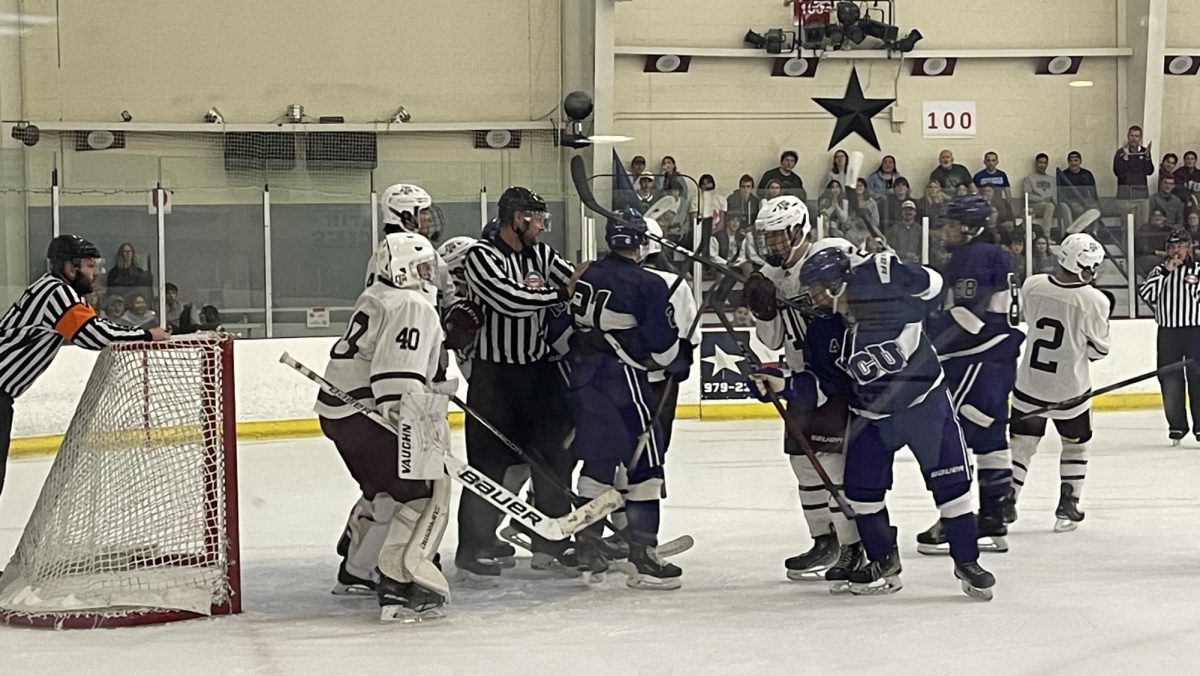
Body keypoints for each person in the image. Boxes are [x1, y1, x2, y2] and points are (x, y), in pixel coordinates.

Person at [797, 244, 996, 600]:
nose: (811, 297)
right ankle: (883, 560)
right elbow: (823, 384)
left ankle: (967, 561)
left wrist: (905, 270)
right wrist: (781, 383)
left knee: (952, 489)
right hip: (871, 417)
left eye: (814, 288)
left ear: (834, 284)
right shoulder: (823, 332)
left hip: (924, 406)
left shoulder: (886, 293)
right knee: (862, 494)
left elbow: (936, 286)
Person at [314, 231, 454, 621]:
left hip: (339, 414)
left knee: (385, 494)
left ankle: (356, 571)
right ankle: (400, 585)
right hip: (371, 412)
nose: (428, 276)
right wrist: (418, 428)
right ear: (403, 268)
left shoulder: (376, 296)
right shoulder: (411, 304)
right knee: (419, 494)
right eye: (423, 268)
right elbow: (395, 380)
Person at [457, 186, 583, 579]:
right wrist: (558, 293)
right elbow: (508, 300)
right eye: (537, 217)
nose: (543, 226)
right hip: (494, 381)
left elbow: (579, 283)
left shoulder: (541, 255)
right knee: (488, 468)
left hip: (538, 375)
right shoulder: (480, 256)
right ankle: (473, 547)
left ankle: (552, 542)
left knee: (553, 461)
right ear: (516, 218)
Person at [563, 210, 693, 587]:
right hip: (623, 380)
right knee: (646, 462)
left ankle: (587, 545)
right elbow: (664, 349)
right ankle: (642, 552)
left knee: (597, 462)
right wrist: (679, 356)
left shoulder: (586, 271)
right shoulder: (647, 283)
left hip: (584, 378)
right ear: (643, 242)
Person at [741, 198, 860, 583]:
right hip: (800, 379)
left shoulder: (833, 254)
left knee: (833, 466)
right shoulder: (769, 275)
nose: (772, 244)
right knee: (803, 462)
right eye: (768, 237)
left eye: (778, 236)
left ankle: (852, 547)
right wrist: (763, 310)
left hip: (836, 373)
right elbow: (773, 339)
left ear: (798, 230)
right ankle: (823, 540)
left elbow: (858, 301)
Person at [1, 235, 169, 504]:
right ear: (70, 268)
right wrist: (145, 335)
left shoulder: (51, 289)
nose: (97, 272)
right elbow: (90, 334)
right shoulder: (57, 293)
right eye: (90, 265)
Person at [921, 195, 1024, 555]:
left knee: (951, 438)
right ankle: (993, 517)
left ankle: (957, 521)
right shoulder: (997, 254)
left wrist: (925, 329)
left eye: (953, 225)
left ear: (973, 228)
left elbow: (969, 317)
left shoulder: (974, 256)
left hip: (974, 358)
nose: (946, 230)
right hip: (998, 360)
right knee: (990, 437)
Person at [1009, 233, 1110, 532]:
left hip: (1029, 385)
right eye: (1090, 267)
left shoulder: (1033, 284)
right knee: (1076, 446)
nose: (1093, 273)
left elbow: (1027, 317)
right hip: (1070, 391)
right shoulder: (1094, 301)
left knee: (1020, 448)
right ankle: (1068, 505)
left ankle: (1004, 505)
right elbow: (1099, 352)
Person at [1138, 228, 1200, 445]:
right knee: (1170, 379)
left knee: (1198, 378)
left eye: (1180, 246)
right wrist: (1166, 272)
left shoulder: (1199, 270)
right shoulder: (1158, 271)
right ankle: (1176, 426)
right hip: (1168, 333)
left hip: (1195, 332)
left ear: (1188, 248)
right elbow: (1147, 295)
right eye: (1172, 246)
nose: (1176, 251)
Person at [1113, 125, 1154, 222]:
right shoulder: (1120, 152)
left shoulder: (1144, 152)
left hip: (1141, 195)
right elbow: (1118, 172)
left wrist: (1147, 157)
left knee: (1142, 225)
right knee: (1126, 226)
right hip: (1125, 195)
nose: (1134, 139)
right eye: (1132, 136)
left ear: (1140, 137)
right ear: (1128, 136)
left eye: (1136, 136)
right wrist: (1126, 159)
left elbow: (1149, 171)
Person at [1057, 151, 1100, 227]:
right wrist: (1071, 203)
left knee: (1095, 210)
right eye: (1071, 161)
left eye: (1076, 160)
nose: (1073, 163)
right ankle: (1082, 233)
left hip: (1085, 200)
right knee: (1080, 211)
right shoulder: (1063, 175)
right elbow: (1061, 194)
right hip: (1070, 202)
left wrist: (1095, 203)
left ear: (1080, 161)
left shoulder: (1087, 174)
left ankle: (1094, 233)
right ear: (1068, 162)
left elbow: (1093, 192)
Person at [1022, 153, 1060, 236]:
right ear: (1036, 163)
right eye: (1040, 162)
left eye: (1045, 163)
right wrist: (1043, 199)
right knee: (1049, 206)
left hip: (1051, 205)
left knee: (1064, 207)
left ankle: (1069, 235)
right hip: (1036, 206)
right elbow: (1028, 196)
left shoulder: (1052, 179)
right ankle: (1046, 236)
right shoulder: (1028, 178)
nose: (1042, 165)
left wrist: (1059, 205)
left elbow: (1056, 195)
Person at [1135, 208, 1173, 276]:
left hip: (1166, 256)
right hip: (1145, 257)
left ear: (1164, 218)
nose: (1157, 218)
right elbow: (1141, 248)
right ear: (1151, 217)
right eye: (1155, 215)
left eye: (1160, 215)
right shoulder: (1144, 229)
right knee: (1160, 262)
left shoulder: (1169, 229)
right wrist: (1157, 252)